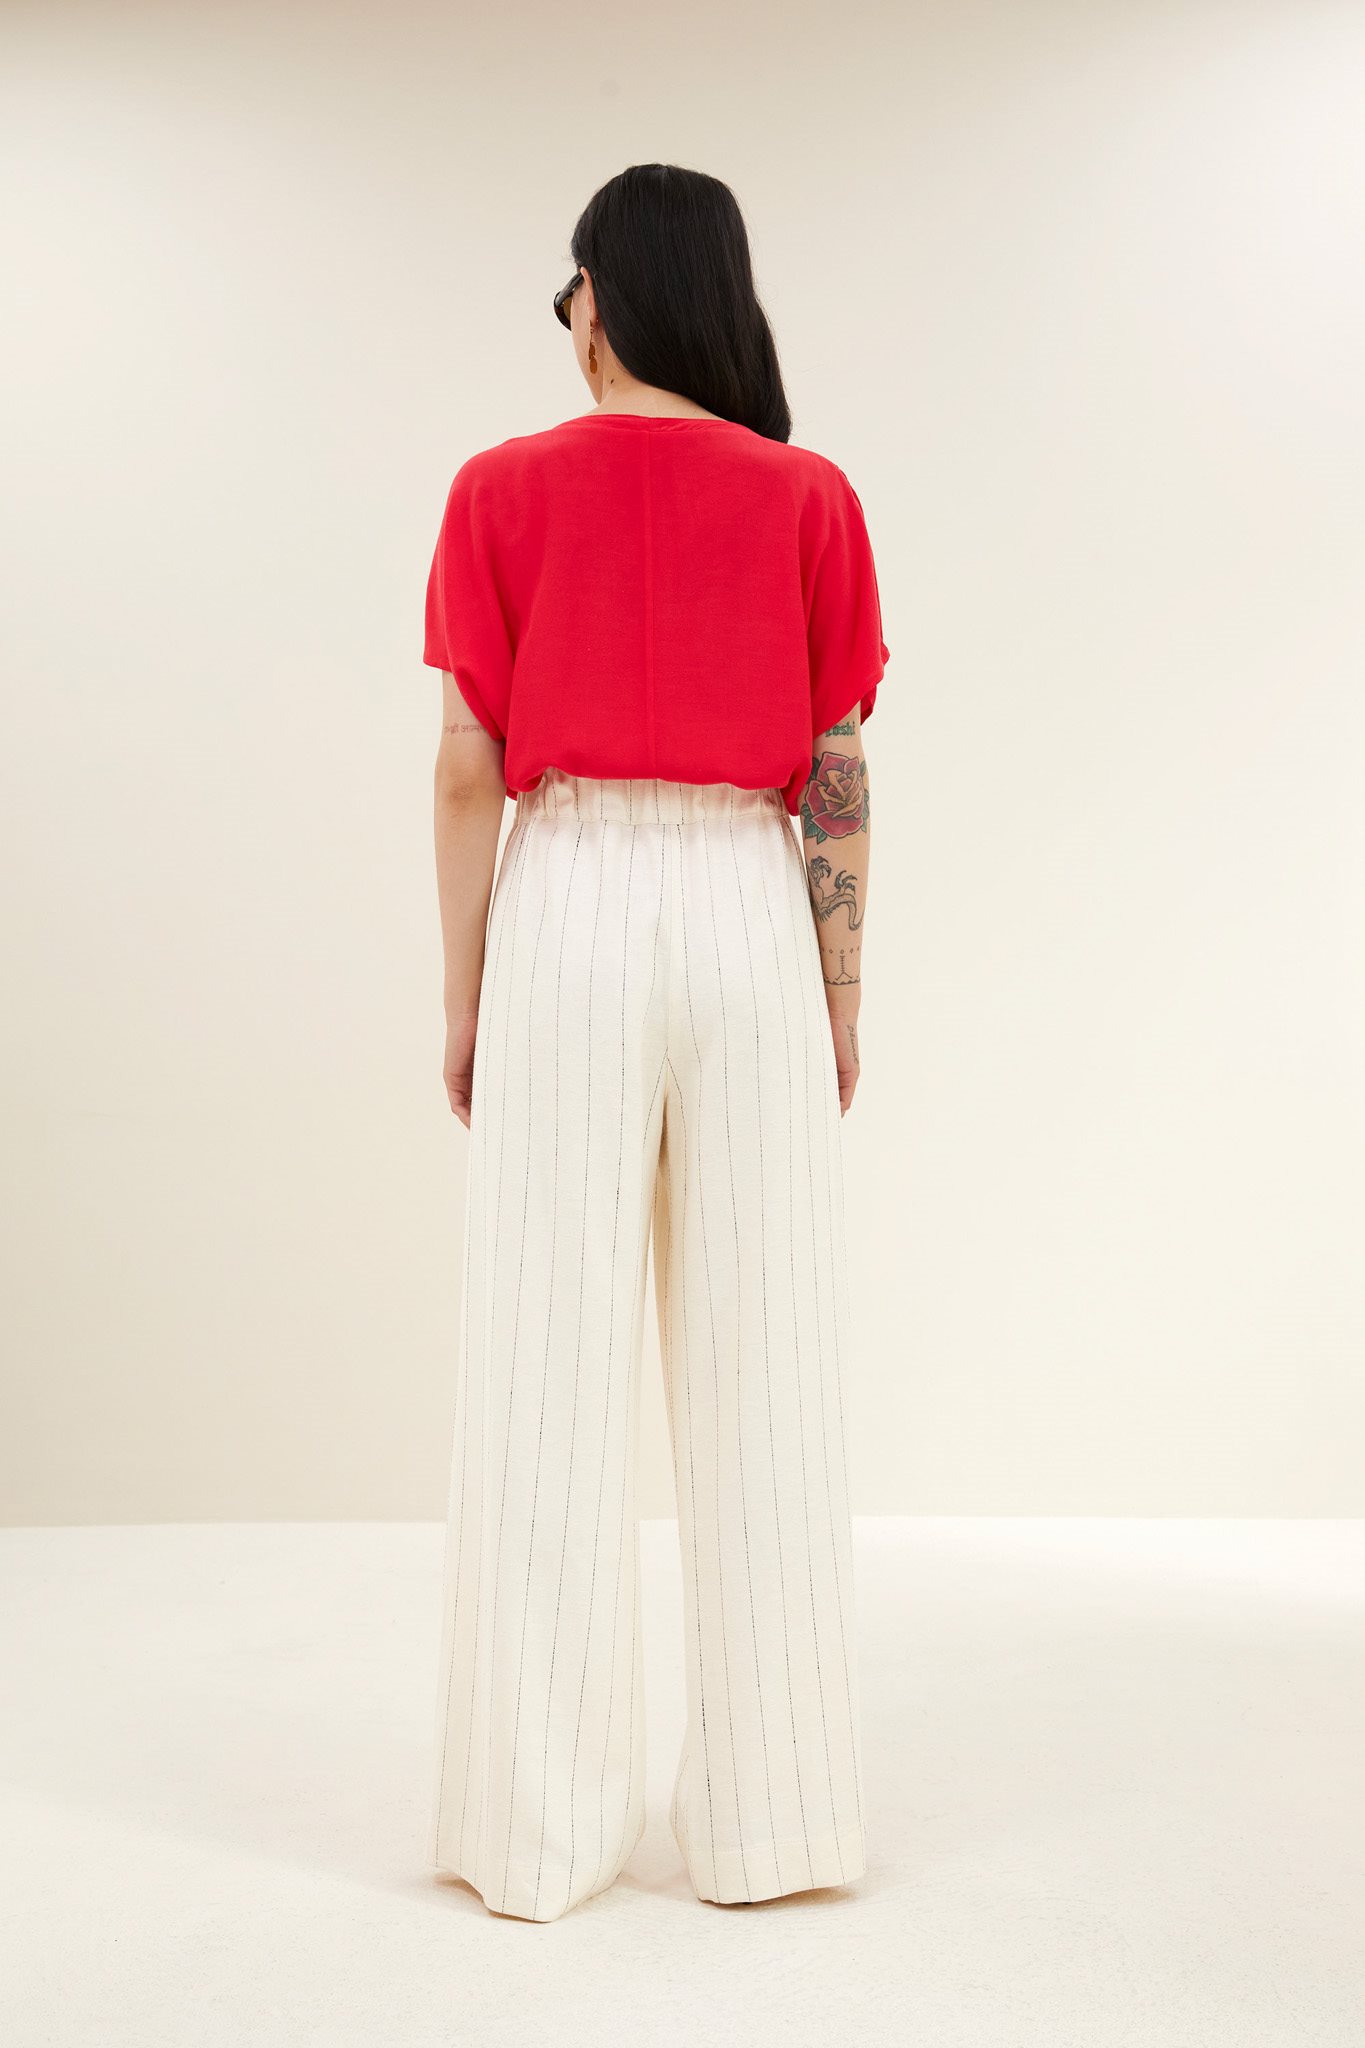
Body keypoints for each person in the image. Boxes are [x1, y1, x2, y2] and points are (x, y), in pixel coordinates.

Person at [421, 163, 889, 1923]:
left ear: (605, 297)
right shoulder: (808, 496)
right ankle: (778, 1827)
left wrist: (465, 992)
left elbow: (466, 768)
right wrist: (836, 993)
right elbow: (834, 769)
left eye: (571, 289)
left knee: (541, 1370)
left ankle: (535, 1834)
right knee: (768, 1364)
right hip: (752, 909)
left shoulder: (498, 488)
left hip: (569, 899)